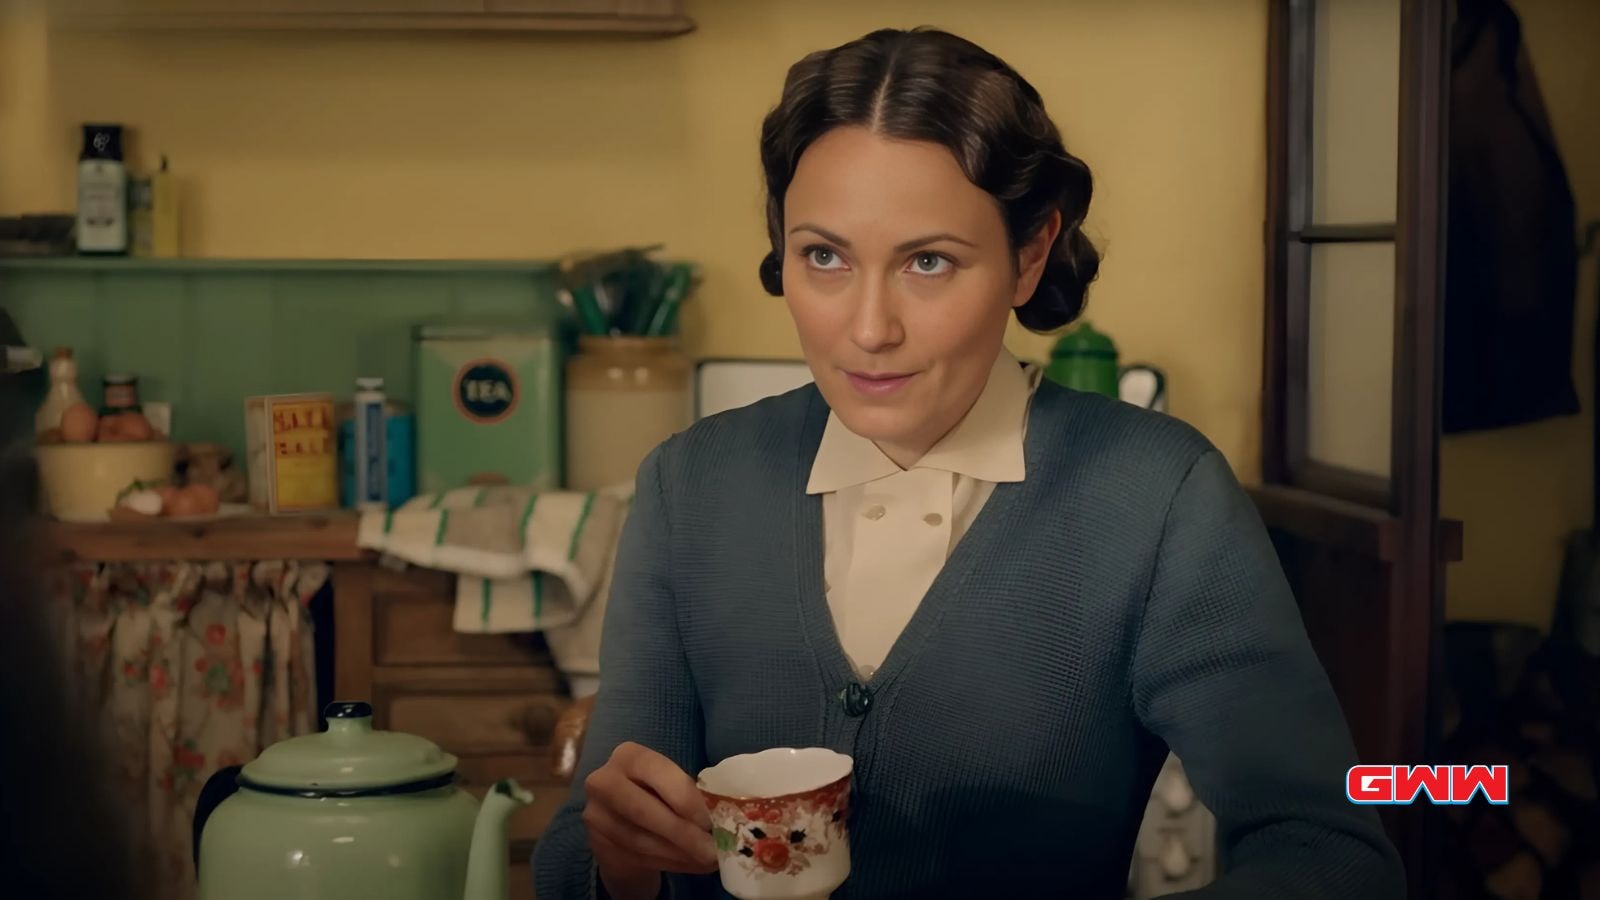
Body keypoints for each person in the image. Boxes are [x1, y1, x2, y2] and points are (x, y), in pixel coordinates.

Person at [535, 27, 1404, 900]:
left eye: (928, 261)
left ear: (1029, 256)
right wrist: (618, 858)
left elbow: (1330, 853)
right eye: (824, 256)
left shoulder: (1157, 496)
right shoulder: (689, 488)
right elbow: (582, 854)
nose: (869, 328)